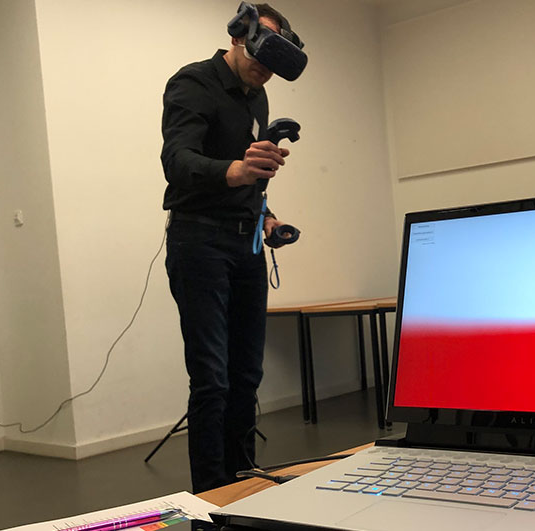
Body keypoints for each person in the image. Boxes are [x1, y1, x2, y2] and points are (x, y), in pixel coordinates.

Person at [160, 3, 298, 493]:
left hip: (247, 244)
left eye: (276, 63)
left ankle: (243, 482)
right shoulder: (193, 82)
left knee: (246, 374)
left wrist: (266, 214)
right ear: (240, 35)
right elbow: (177, 161)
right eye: (262, 52)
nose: (265, 69)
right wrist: (234, 171)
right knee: (212, 377)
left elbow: (250, 175)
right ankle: (211, 495)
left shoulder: (257, 97)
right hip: (199, 241)